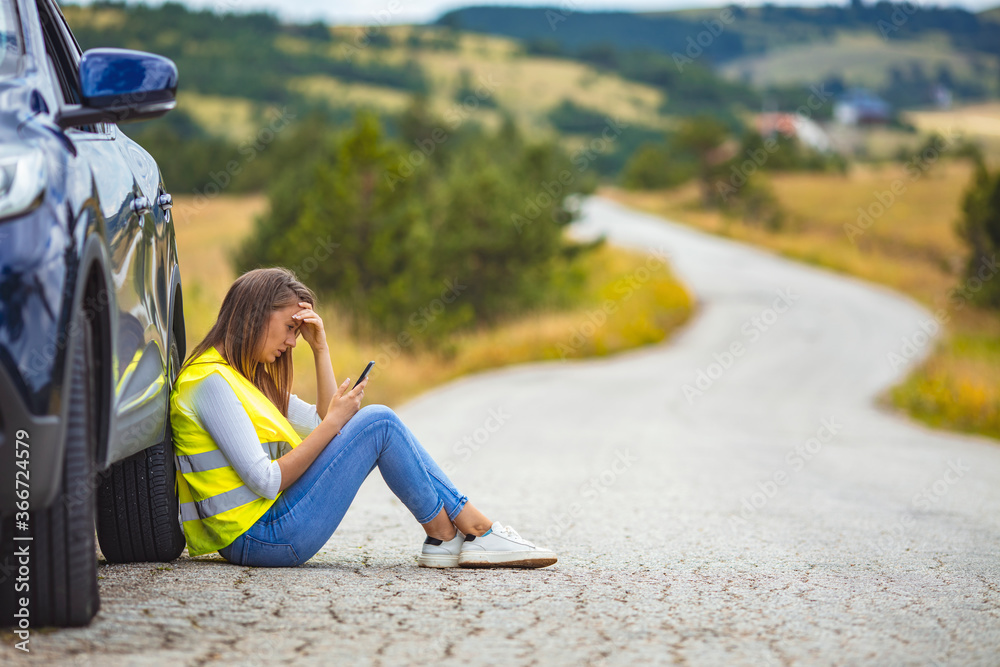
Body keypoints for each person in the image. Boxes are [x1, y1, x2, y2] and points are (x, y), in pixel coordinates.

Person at [170, 267, 556, 569]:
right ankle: (471, 528)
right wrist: (335, 422)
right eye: (290, 328)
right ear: (254, 315)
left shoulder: (242, 380)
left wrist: (320, 349)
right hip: (261, 537)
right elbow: (267, 479)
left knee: (377, 421)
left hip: (268, 529)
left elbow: (321, 419)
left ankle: (446, 537)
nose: (292, 342)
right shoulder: (210, 382)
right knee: (378, 422)